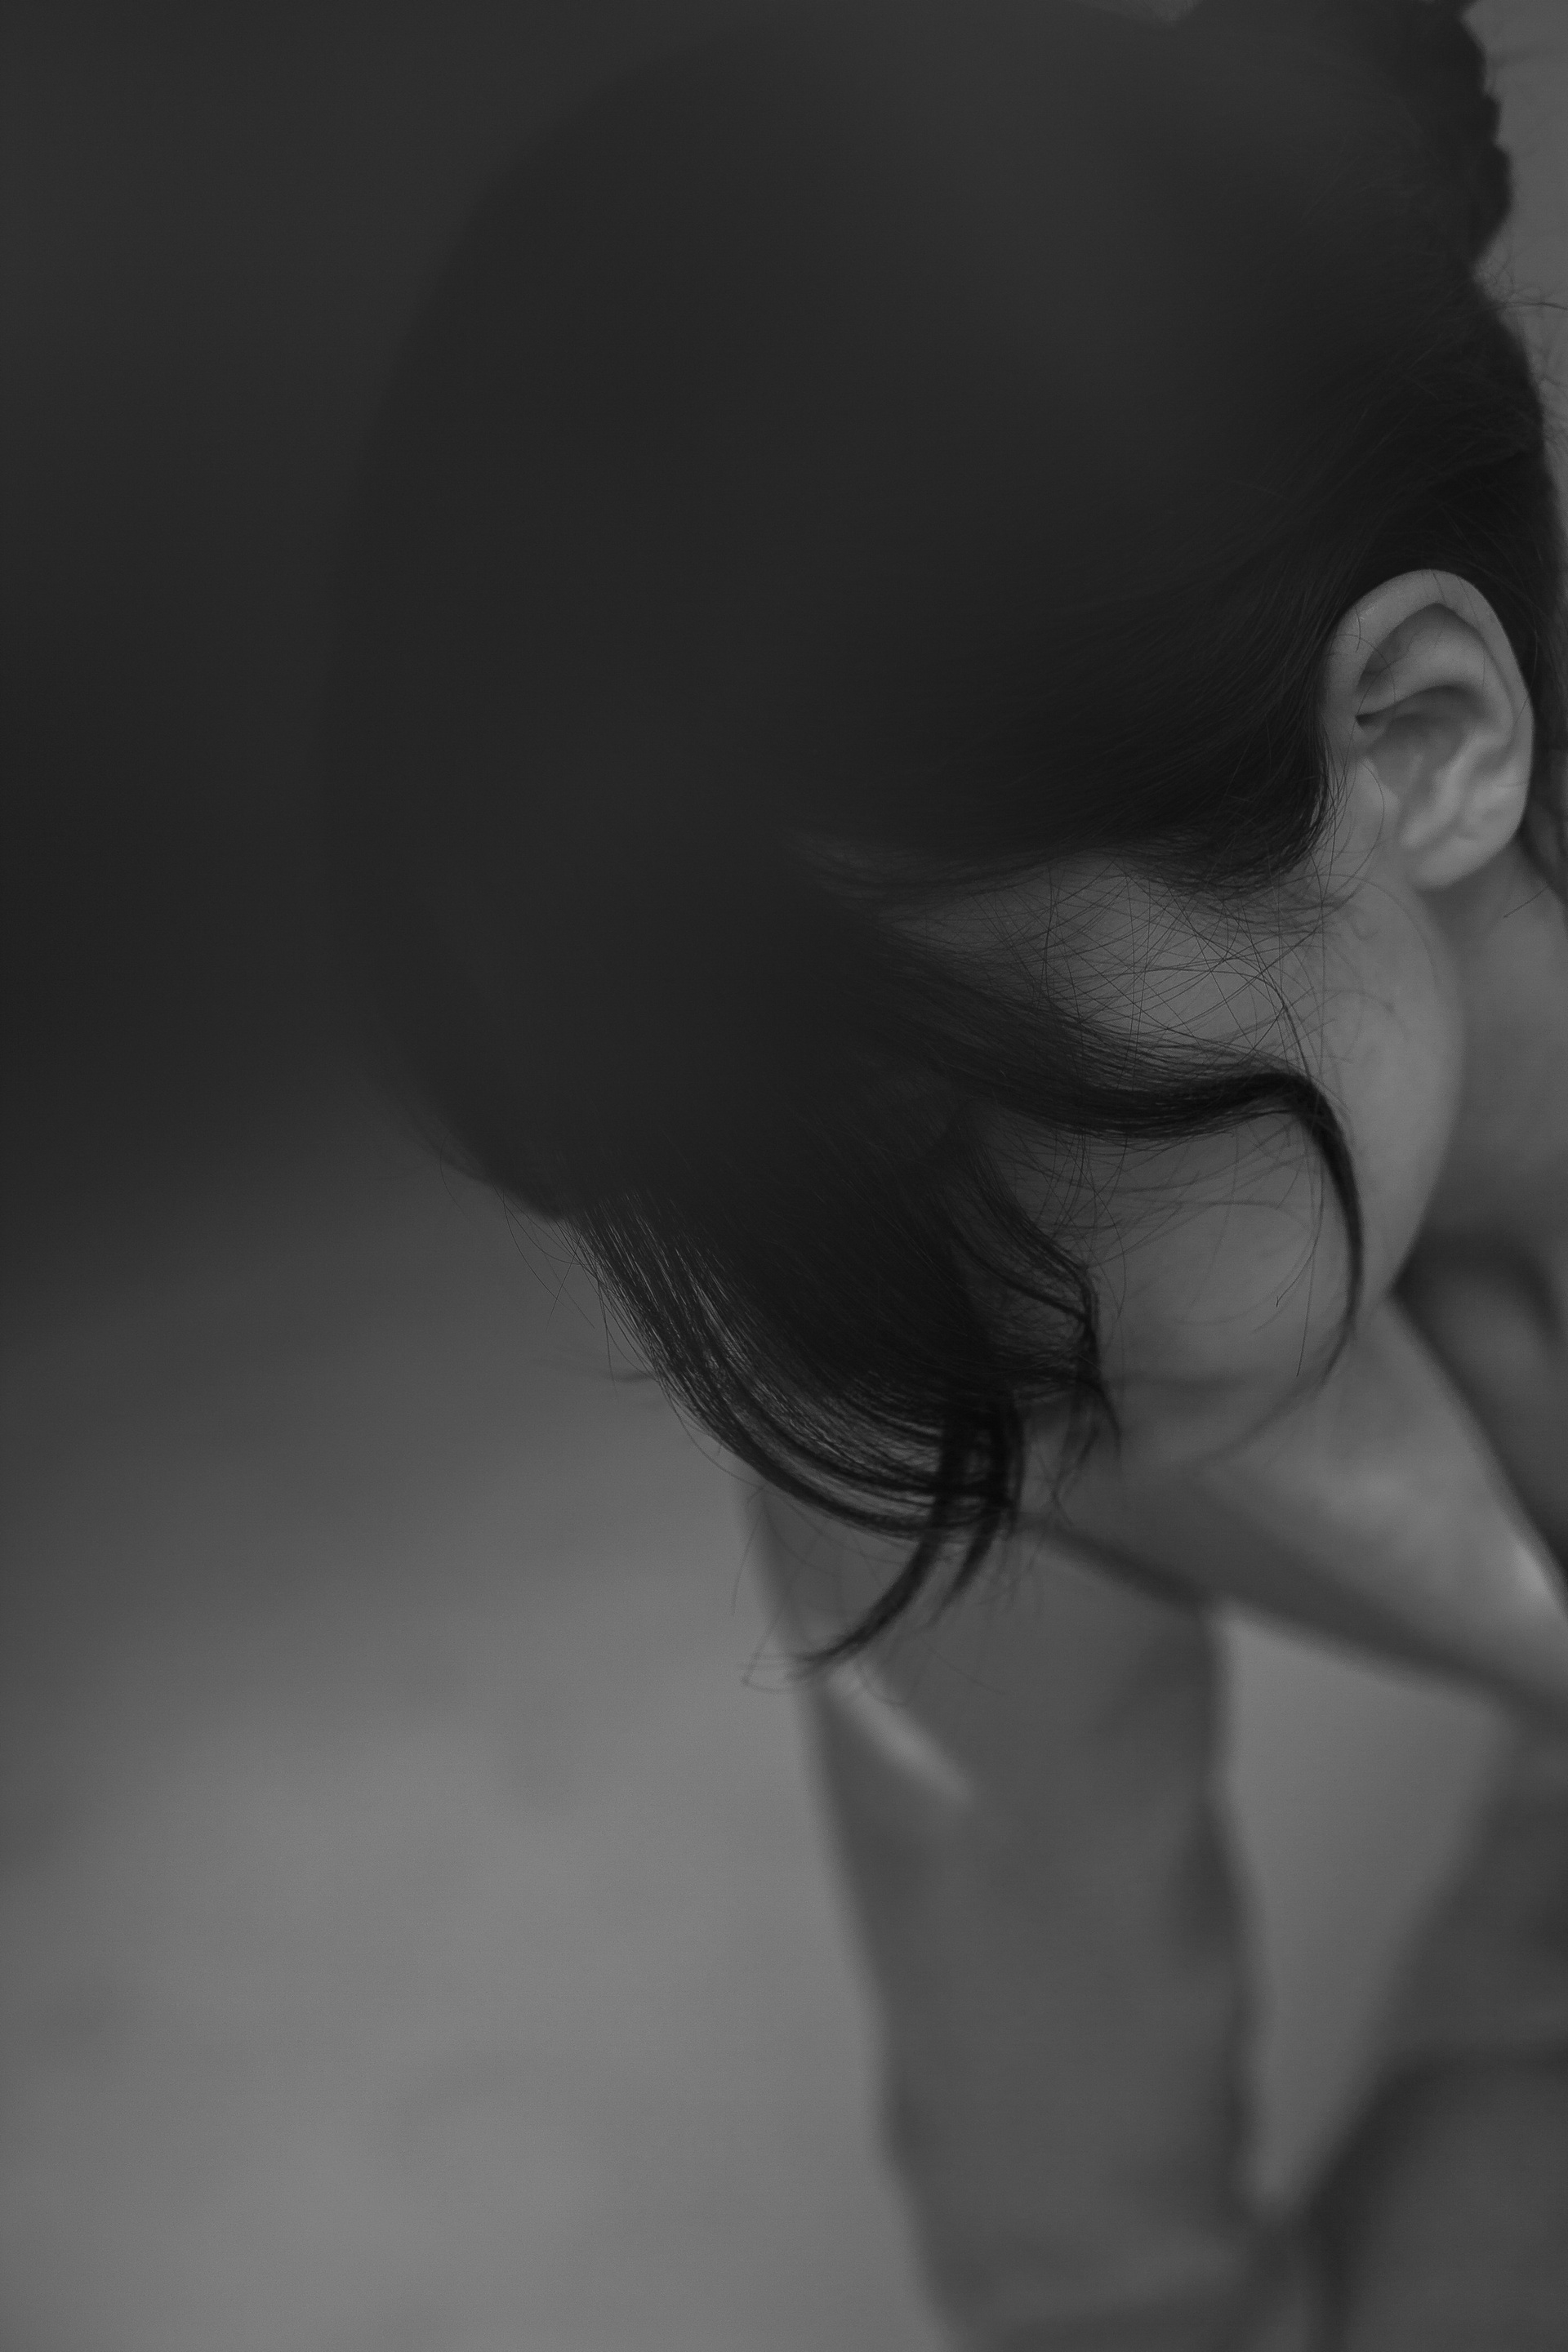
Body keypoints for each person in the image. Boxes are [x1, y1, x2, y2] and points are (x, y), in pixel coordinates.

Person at [320, 0, 1568, 2341]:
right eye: (706, 1185)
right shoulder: (931, 1335)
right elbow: (1090, 2239)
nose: (866, 1329)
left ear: (1417, 742)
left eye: (940, 1116)